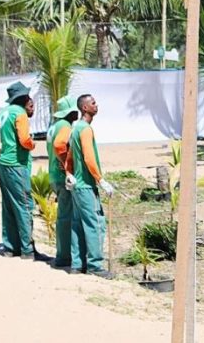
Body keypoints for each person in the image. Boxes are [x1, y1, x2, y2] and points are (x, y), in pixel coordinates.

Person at [0, 81, 36, 258]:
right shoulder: (19, 114)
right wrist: (31, 144)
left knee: (9, 207)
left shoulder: (3, 113)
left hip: (3, 165)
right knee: (25, 206)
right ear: (24, 99)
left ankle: (11, 247)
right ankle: (27, 250)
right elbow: (24, 139)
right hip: (16, 166)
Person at [66, 94, 115, 276]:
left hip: (76, 185)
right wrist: (100, 180)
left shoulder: (75, 128)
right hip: (86, 185)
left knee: (78, 224)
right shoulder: (85, 129)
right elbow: (88, 157)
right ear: (85, 108)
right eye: (93, 103)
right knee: (95, 223)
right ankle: (95, 265)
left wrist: (68, 173)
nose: (97, 105)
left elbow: (69, 155)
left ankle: (77, 264)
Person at [46, 96, 78, 270]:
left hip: (53, 176)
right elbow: (59, 145)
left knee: (63, 215)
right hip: (61, 177)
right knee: (66, 217)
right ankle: (64, 256)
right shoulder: (65, 126)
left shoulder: (53, 127)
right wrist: (67, 165)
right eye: (75, 111)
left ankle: (63, 254)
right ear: (71, 112)